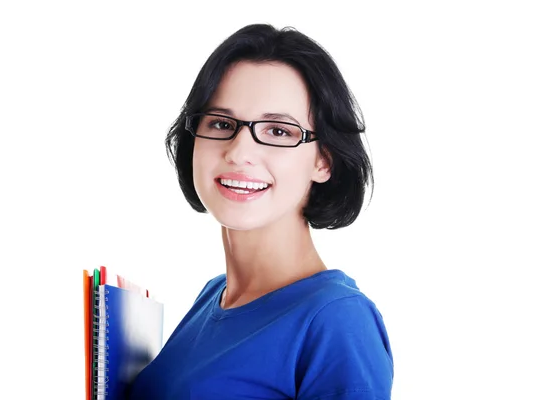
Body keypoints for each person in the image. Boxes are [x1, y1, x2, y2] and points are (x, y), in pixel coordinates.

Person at [129, 23, 394, 399]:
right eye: (221, 123)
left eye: (278, 131)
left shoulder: (337, 320)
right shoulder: (213, 296)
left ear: (324, 160)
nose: (238, 152)